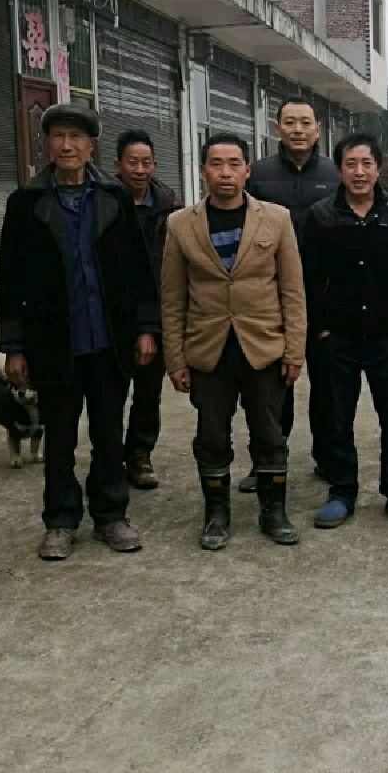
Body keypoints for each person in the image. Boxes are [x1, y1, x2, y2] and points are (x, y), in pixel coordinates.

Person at [0, 103, 159, 561]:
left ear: (91, 146)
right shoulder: (26, 202)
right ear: (47, 144)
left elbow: (138, 270)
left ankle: (110, 515)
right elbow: (10, 278)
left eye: (76, 137)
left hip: (109, 339)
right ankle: (61, 519)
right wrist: (13, 346)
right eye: (58, 136)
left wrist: (146, 328)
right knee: (60, 434)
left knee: (109, 432)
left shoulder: (114, 197)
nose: (67, 145)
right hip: (54, 341)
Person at [160, 133, 307, 550]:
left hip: (263, 347)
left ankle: (273, 511)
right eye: (216, 164)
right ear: (203, 169)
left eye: (233, 164)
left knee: (269, 434)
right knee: (211, 436)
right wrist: (176, 359)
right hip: (207, 349)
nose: (225, 173)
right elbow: (172, 297)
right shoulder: (180, 225)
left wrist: (294, 350)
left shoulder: (276, 219)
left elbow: (293, 291)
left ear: (248, 170)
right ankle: (216, 514)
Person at [301, 132, 388, 528]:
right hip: (337, 337)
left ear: (378, 168)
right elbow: (307, 278)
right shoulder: (321, 215)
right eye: (350, 164)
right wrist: (320, 330)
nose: (359, 172)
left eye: (366, 164)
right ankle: (342, 491)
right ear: (339, 170)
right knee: (337, 418)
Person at [242, 96, 342, 491]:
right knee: (269, 388)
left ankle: (327, 457)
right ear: (277, 128)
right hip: (269, 296)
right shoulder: (260, 176)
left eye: (305, 123)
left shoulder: (335, 175)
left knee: (327, 384)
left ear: (318, 130)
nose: (298, 129)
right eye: (290, 122)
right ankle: (266, 460)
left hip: (323, 295)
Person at [113, 129, 181, 491]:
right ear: (117, 165)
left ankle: (139, 456)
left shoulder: (170, 208)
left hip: (155, 315)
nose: (139, 169)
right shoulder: (104, 203)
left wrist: (157, 326)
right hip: (110, 318)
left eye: (146, 162)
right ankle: (108, 458)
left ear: (154, 165)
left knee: (147, 392)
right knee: (110, 392)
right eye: (132, 162)